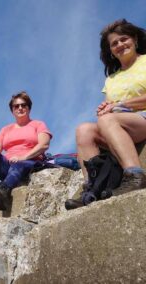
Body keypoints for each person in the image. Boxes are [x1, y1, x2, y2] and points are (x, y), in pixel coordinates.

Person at [68, 19, 146, 209]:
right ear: (110, 51)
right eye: (114, 43)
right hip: (122, 124)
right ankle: (91, 188)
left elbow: (120, 107)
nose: (120, 45)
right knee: (84, 129)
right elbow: (113, 108)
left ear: (134, 40)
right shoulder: (111, 79)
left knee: (108, 118)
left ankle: (135, 174)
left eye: (123, 39)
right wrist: (107, 108)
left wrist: (121, 105)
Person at [0, 91, 52, 211]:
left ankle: (4, 190)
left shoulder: (38, 124)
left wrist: (23, 157)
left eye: (23, 105)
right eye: (16, 106)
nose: (20, 108)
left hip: (30, 163)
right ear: (12, 110)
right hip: (8, 166)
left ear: (29, 108)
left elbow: (44, 145)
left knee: (18, 164)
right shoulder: (5, 129)